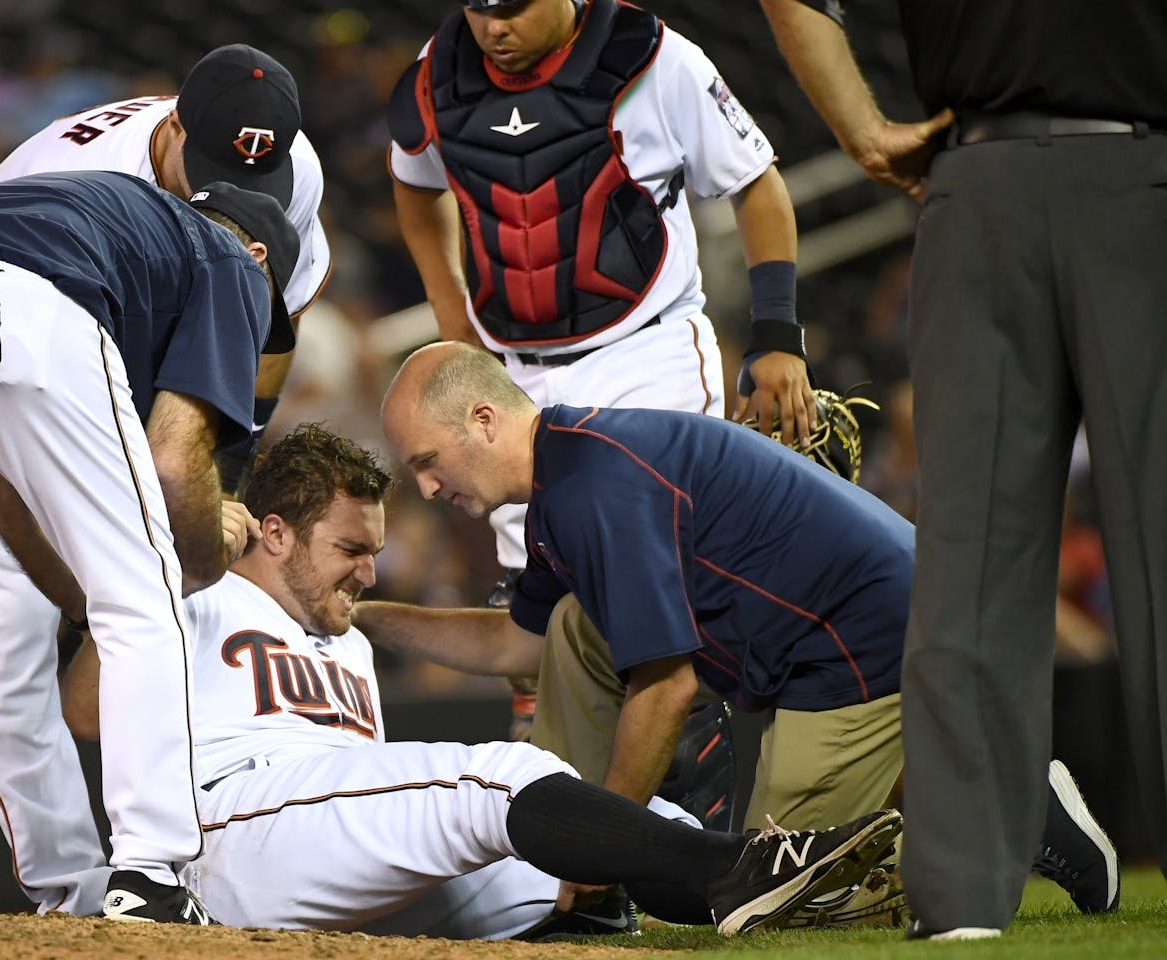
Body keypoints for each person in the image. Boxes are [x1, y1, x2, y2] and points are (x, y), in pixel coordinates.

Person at [372, 340, 1120, 924]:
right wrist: (365, 617)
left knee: (777, 891)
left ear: (483, 419)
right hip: (848, 636)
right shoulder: (570, 476)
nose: (430, 488)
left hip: (868, 647)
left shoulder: (593, 487)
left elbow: (666, 688)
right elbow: (515, 644)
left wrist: (599, 856)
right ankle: (576, 866)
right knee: (572, 624)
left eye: (428, 462)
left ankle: (1014, 807)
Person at [59, 422, 904, 938]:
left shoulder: (348, 639)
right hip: (231, 837)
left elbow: (478, 660)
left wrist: (364, 608)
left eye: (374, 553)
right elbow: (88, 712)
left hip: (338, 868)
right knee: (500, 774)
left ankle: (797, 890)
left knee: (616, 825)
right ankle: (738, 870)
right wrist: (166, 570)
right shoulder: (201, 598)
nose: (366, 572)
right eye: (349, 551)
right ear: (272, 534)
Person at [755, 0, 1167, 939]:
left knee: (969, 560)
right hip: (1145, 172)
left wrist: (862, 127)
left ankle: (960, 896)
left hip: (978, 180)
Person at [0, 169, 298, 923]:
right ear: (265, 257)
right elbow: (177, 468)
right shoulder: (231, 260)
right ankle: (150, 874)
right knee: (144, 599)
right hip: (16, 298)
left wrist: (84, 599)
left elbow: (7, 491)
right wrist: (203, 555)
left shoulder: (124, 220)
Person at [0, 44, 331, 915]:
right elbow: (0, 391)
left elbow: (277, 320)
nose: (220, 193)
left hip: (134, 348)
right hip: (4, 342)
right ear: (169, 131)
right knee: (11, 629)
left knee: (150, 592)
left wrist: (226, 469)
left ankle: (150, 879)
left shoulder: (290, 166)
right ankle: (67, 891)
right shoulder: (76, 173)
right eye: (200, 169)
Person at [388, 0, 812, 739]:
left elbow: (755, 181)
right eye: (480, 10)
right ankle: (553, 758)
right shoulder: (438, 74)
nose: (495, 29)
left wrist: (777, 332)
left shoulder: (651, 57)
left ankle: (712, 755)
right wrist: (449, 310)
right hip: (513, 370)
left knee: (673, 571)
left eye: (512, 9)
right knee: (533, 591)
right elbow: (414, 181)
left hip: (643, 351)